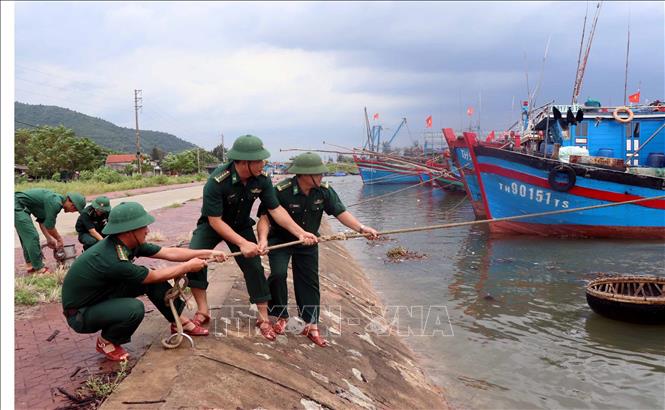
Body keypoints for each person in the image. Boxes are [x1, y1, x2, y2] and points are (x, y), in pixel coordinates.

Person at [187, 135, 318, 341]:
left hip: (241, 225)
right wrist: (242, 243)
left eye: (262, 160)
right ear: (243, 162)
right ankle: (203, 311)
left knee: (255, 267)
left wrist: (299, 232)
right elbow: (215, 221)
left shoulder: (262, 180)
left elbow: (275, 210)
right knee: (194, 259)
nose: (262, 164)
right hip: (214, 224)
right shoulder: (216, 182)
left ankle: (263, 317)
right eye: (258, 161)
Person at [61, 202, 227, 362]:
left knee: (154, 280)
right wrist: (187, 267)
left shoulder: (125, 243)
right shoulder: (112, 258)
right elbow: (151, 277)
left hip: (101, 294)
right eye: (143, 227)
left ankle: (178, 321)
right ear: (128, 231)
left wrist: (209, 253)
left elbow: (170, 252)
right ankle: (107, 341)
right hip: (80, 313)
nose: (147, 231)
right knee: (134, 308)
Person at [257, 152, 379, 347]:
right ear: (304, 175)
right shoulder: (281, 190)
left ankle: (310, 324)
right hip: (281, 241)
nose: (322, 177)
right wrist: (262, 239)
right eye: (318, 174)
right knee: (278, 274)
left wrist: (362, 228)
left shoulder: (324, 191)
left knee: (309, 282)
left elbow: (341, 212)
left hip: (309, 242)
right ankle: (281, 315)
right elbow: (264, 218)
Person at [14, 189, 86, 274]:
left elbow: (43, 222)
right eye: (75, 209)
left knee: (27, 236)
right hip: (16, 205)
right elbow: (50, 227)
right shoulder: (55, 203)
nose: (73, 212)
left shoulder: (56, 200)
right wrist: (59, 239)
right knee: (32, 236)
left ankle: (31, 265)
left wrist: (49, 238)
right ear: (71, 203)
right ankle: (39, 269)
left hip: (19, 205)